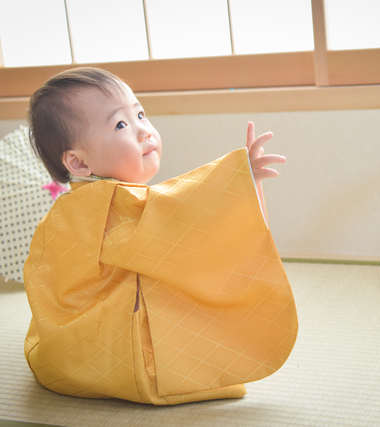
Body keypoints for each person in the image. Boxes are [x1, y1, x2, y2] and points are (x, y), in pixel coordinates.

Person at [23, 67, 298, 405]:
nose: (143, 131)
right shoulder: (111, 203)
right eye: (121, 125)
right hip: (116, 352)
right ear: (78, 163)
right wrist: (238, 180)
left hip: (70, 349)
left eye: (139, 114)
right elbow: (182, 217)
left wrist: (240, 183)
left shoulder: (73, 205)